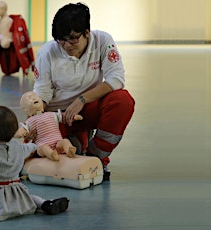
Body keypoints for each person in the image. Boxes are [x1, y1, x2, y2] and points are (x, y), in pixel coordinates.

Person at [32, 2, 135, 180]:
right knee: (49, 158)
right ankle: (77, 140)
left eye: (72, 38)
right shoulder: (47, 53)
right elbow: (42, 95)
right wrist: (35, 123)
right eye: (61, 40)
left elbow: (116, 79)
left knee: (122, 101)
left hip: (86, 109)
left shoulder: (103, 41)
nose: (66, 45)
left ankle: (96, 157)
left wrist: (81, 100)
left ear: (87, 32)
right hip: (57, 116)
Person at [0, 106, 69, 221]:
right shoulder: (19, 148)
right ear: (14, 130)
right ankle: (45, 204)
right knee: (30, 198)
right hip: (16, 194)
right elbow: (32, 146)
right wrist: (35, 139)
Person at [15, 91, 82, 161]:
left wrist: (73, 117)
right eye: (29, 98)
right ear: (25, 109)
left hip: (57, 142)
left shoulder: (51, 114)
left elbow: (63, 117)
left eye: (35, 96)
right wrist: (18, 133)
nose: (33, 98)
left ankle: (69, 149)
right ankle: (51, 154)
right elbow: (24, 129)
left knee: (65, 141)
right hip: (43, 144)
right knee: (43, 148)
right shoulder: (30, 121)